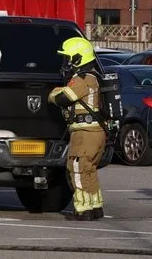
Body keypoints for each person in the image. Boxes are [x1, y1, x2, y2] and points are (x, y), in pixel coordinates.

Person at [48, 36, 106, 221]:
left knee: (77, 168)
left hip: (84, 133)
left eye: (68, 58)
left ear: (78, 59)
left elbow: (63, 98)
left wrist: (53, 93)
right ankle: (95, 205)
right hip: (96, 132)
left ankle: (83, 209)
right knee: (89, 170)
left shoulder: (81, 79)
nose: (66, 63)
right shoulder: (94, 77)